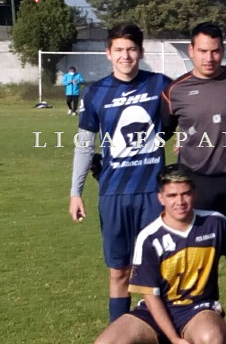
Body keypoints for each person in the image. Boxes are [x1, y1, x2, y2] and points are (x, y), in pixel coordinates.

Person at [91, 165, 226, 344]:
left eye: (185, 193)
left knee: (213, 342)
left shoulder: (215, 222)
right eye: (172, 195)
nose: (180, 201)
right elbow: (151, 296)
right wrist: (174, 340)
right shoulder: (149, 237)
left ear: (194, 193)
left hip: (197, 309)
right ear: (161, 198)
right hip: (155, 310)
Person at [69, 23, 171, 323]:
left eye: (131, 49)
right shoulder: (95, 93)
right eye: (119, 50)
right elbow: (84, 145)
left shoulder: (161, 85)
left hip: (153, 193)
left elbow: (194, 97)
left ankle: (163, 333)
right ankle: (120, 333)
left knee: (159, 268)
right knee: (119, 271)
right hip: (114, 194)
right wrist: (76, 192)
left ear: (141, 52)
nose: (125, 56)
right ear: (108, 53)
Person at [161, 22, 226, 312]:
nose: (209, 58)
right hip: (196, 186)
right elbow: (158, 135)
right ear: (191, 50)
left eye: (215, 51)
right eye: (202, 51)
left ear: (223, 51)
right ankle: (202, 318)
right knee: (200, 259)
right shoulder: (174, 91)